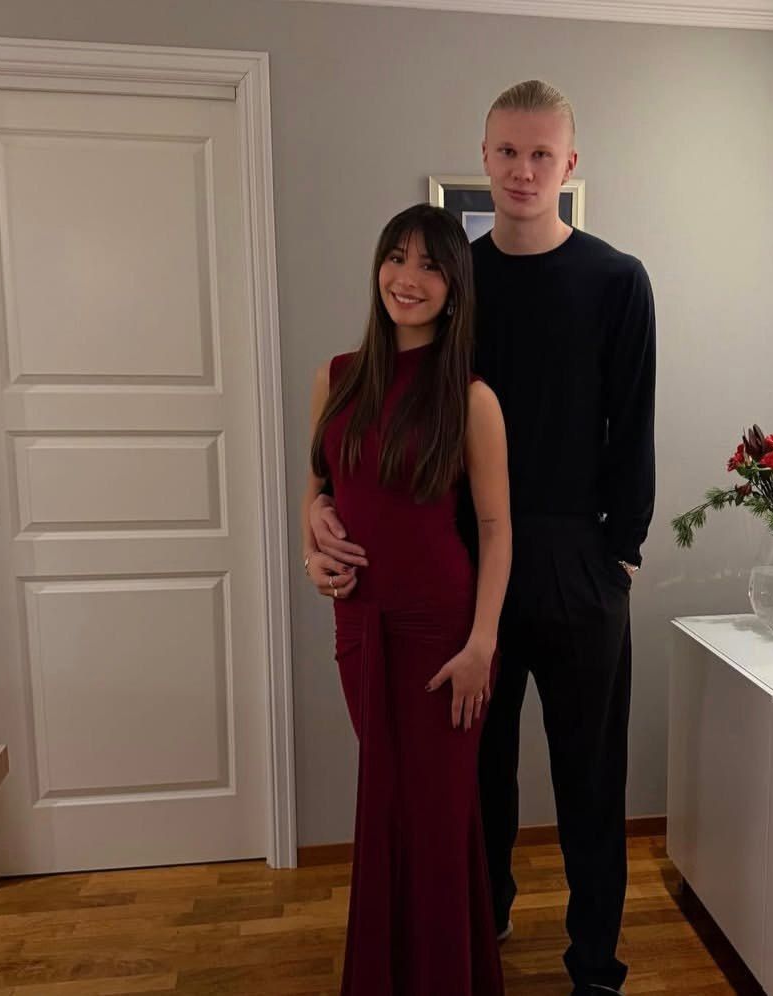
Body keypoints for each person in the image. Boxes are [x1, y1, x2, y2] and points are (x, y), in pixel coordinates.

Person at [311, 81, 656, 996]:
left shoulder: (618, 280)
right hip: (467, 569)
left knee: (590, 777)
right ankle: (484, 919)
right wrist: (320, 501)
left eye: (542, 154)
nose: (523, 170)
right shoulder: (457, 278)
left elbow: (634, 421)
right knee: (478, 774)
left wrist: (621, 554)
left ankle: (595, 964)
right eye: (507, 151)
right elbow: (384, 407)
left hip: (580, 560)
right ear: (485, 156)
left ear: (569, 163)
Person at [302, 203, 510, 996]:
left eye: (429, 265)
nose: (408, 278)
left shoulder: (472, 398)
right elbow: (318, 488)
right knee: (387, 805)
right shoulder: (336, 377)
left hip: (442, 635)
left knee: (437, 815)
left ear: (455, 287)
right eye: (396, 257)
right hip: (359, 624)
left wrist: (482, 644)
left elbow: (495, 529)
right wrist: (312, 547)